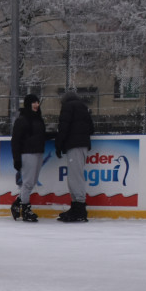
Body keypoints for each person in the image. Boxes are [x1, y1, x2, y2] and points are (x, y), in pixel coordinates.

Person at [54, 90, 94, 222]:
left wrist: (58, 145)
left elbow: (63, 127)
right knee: (76, 176)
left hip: (74, 145)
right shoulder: (83, 107)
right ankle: (77, 207)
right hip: (82, 145)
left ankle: (79, 209)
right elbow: (91, 128)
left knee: (75, 177)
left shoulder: (68, 107)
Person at [10, 94, 50, 223]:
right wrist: (16, 159)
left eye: (37, 102)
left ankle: (18, 203)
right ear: (28, 104)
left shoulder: (38, 119)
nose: (36, 105)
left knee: (32, 183)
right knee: (27, 183)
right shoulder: (22, 120)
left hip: (38, 152)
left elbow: (41, 136)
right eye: (34, 102)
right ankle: (26, 209)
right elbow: (15, 141)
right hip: (27, 153)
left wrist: (58, 135)